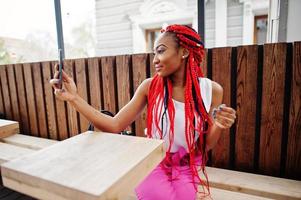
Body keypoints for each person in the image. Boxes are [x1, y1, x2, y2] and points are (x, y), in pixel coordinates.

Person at [50, 24, 236, 200]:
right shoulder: (149, 87)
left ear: (184, 52)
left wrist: (219, 125)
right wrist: (74, 98)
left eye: (161, 51)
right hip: (152, 161)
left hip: (187, 164)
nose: (155, 59)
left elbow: (206, 146)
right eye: (154, 52)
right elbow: (114, 125)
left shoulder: (212, 91)